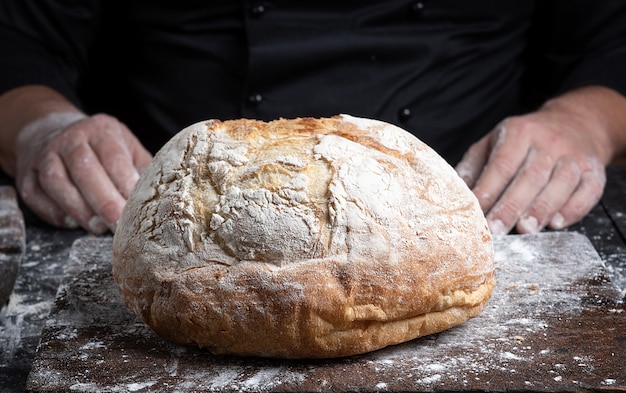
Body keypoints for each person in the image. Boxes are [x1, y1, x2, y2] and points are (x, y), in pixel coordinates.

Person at [1, 1, 625, 236]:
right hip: (174, 221)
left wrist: (585, 121)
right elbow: (15, 38)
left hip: (484, 215)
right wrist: (42, 127)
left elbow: (614, 40)